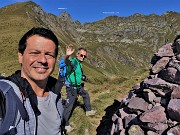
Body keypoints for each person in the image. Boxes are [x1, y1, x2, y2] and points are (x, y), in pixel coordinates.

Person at [0, 27, 63, 135]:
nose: (43, 60)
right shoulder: (5, 94)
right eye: (35, 53)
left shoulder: (55, 95)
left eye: (49, 54)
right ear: (20, 56)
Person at [62, 44, 96, 133]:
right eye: (81, 55)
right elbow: (67, 62)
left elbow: (77, 74)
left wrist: (82, 77)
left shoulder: (80, 64)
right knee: (69, 107)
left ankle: (88, 111)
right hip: (71, 88)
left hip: (78, 86)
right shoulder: (74, 61)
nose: (83, 57)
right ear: (77, 54)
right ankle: (65, 125)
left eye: (85, 56)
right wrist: (67, 55)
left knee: (85, 94)